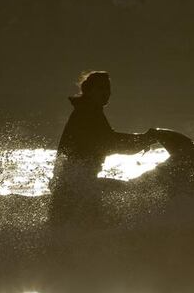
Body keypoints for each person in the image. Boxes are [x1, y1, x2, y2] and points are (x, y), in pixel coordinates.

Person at [49, 71, 157, 225]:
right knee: (87, 229)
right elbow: (109, 143)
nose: (106, 93)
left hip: (76, 183)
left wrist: (143, 140)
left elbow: (108, 140)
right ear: (89, 90)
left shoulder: (89, 110)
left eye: (108, 89)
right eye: (101, 88)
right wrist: (144, 140)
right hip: (74, 186)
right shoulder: (86, 112)